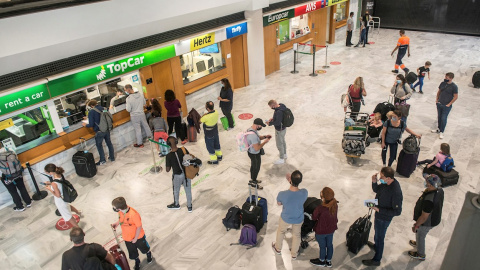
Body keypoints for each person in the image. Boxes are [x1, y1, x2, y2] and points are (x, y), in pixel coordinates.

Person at [362, 167, 403, 267]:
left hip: (384, 218)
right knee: (377, 233)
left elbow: (397, 212)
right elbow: (377, 190)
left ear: (388, 178)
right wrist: (374, 182)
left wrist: (379, 209)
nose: (380, 178)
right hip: (379, 212)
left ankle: (377, 259)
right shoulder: (386, 183)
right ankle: (376, 246)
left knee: (380, 237)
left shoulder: (396, 191)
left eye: (382, 176)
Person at [272, 171, 308, 260]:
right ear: (300, 181)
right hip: (298, 217)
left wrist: (290, 181)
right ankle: (294, 254)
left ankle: (278, 249)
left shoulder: (282, 194)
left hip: (286, 217)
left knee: (281, 231)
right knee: (296, 235)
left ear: (290, 180)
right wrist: (292, 181)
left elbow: (279, 203)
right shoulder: (304, 192)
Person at [408, 173, 444, 261]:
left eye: (427, 182)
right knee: (420, 234)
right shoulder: (440, 189)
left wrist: (416, 225)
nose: (425, 182)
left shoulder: (429, 200)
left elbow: (424, 217)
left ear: (431, 185)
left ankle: (421, 254)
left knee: (420, 235)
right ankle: (418, 244)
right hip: (435, 217)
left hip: (428, 222)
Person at [111, 197, 153, 270]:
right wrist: (117, 223)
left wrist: (135, 238)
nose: (114, 208)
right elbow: (121, 219)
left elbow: (139, 227)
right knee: (132, 252)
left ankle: (148, 254)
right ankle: (137, 260)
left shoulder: (134, 214)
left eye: (114, 207)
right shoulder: (120, 212)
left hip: (138, 237)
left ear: (119, 208)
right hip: (127, 238)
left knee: (144, 248)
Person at [44, 164, 81, 228]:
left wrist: (50, 189)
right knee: (68, 206)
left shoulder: (54, 183)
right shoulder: (59, 174)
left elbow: (57, 195)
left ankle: (77, 228)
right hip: (65, 196)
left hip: (60, 201)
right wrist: (50, 183)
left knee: (68, 216)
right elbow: (58, 182)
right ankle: (78, 212)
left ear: (50, 172)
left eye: (46, 172)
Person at [310, 187, 338, 267]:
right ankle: (328, 261)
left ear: (323, 198)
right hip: (331, 229)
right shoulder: (335, 205)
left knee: (322, 246)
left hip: (321, 231)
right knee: (329, 245)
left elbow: (314, 217)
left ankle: (322, 260)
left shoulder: (320, 208)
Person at [0, 143, 32, 212]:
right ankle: (28, 202)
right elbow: (16, 158)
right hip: (17, 173)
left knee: (13, 192)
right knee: (22, 187)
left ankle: (20, 207)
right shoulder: (9, 149)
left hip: (6, 177)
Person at [82, 99, 115, 165]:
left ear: (91, 106)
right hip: (107, 129)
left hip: (99, 131)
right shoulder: (104, 108)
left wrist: (86, 125)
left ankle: (102, 160)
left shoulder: (91, 112)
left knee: (99, 145)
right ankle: (112, 157)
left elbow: (91, 124)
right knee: (109, 143)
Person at [165, 136, 193, 211]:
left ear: (168, 144)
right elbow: (189, 158)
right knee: (188, 190)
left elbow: (167, 170)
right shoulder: (183, 149)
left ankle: (176, 204)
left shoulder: (168, 156)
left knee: (176, 190)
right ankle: (189, 206)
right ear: (176, 142)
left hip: (177, 176)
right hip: (187, 174)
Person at [246, 118, 271, 190]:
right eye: (260, 126)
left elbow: (257, 138)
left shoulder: (251, 130)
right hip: (254, 153)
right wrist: (265, 142)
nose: (261, 127)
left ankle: (253, 179)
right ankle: (253, 182)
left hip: (252, 152)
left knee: (254, 166)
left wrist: (264, 137)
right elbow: (257, 148)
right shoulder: (252, 135)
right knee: (256, 167)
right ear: (257, 125)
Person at [431, 72, 458, 139]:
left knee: (444, 118)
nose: (445, 78)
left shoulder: (454, 87)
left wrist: (449, 104)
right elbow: (439, 91)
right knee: (439, 117)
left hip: (446, 105)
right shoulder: (442, 83)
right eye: (445, 77)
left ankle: (442, 131)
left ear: (451, 78)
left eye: (447, 77)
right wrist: (437, 100)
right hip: (440, 103)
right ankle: (439, 128)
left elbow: (455, 97)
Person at [266, 100, 288, 165]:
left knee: (279, 144)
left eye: (271, 107)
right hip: (283, 128)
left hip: (279, 130)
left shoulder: (278, 112)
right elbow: (279, 118)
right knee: (283, 141)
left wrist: (270, 123)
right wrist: (273, 118)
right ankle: (284, 154)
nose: (271, 108)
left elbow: (278, 123)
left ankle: (281, 159)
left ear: (274, 105)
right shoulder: (282, 105)